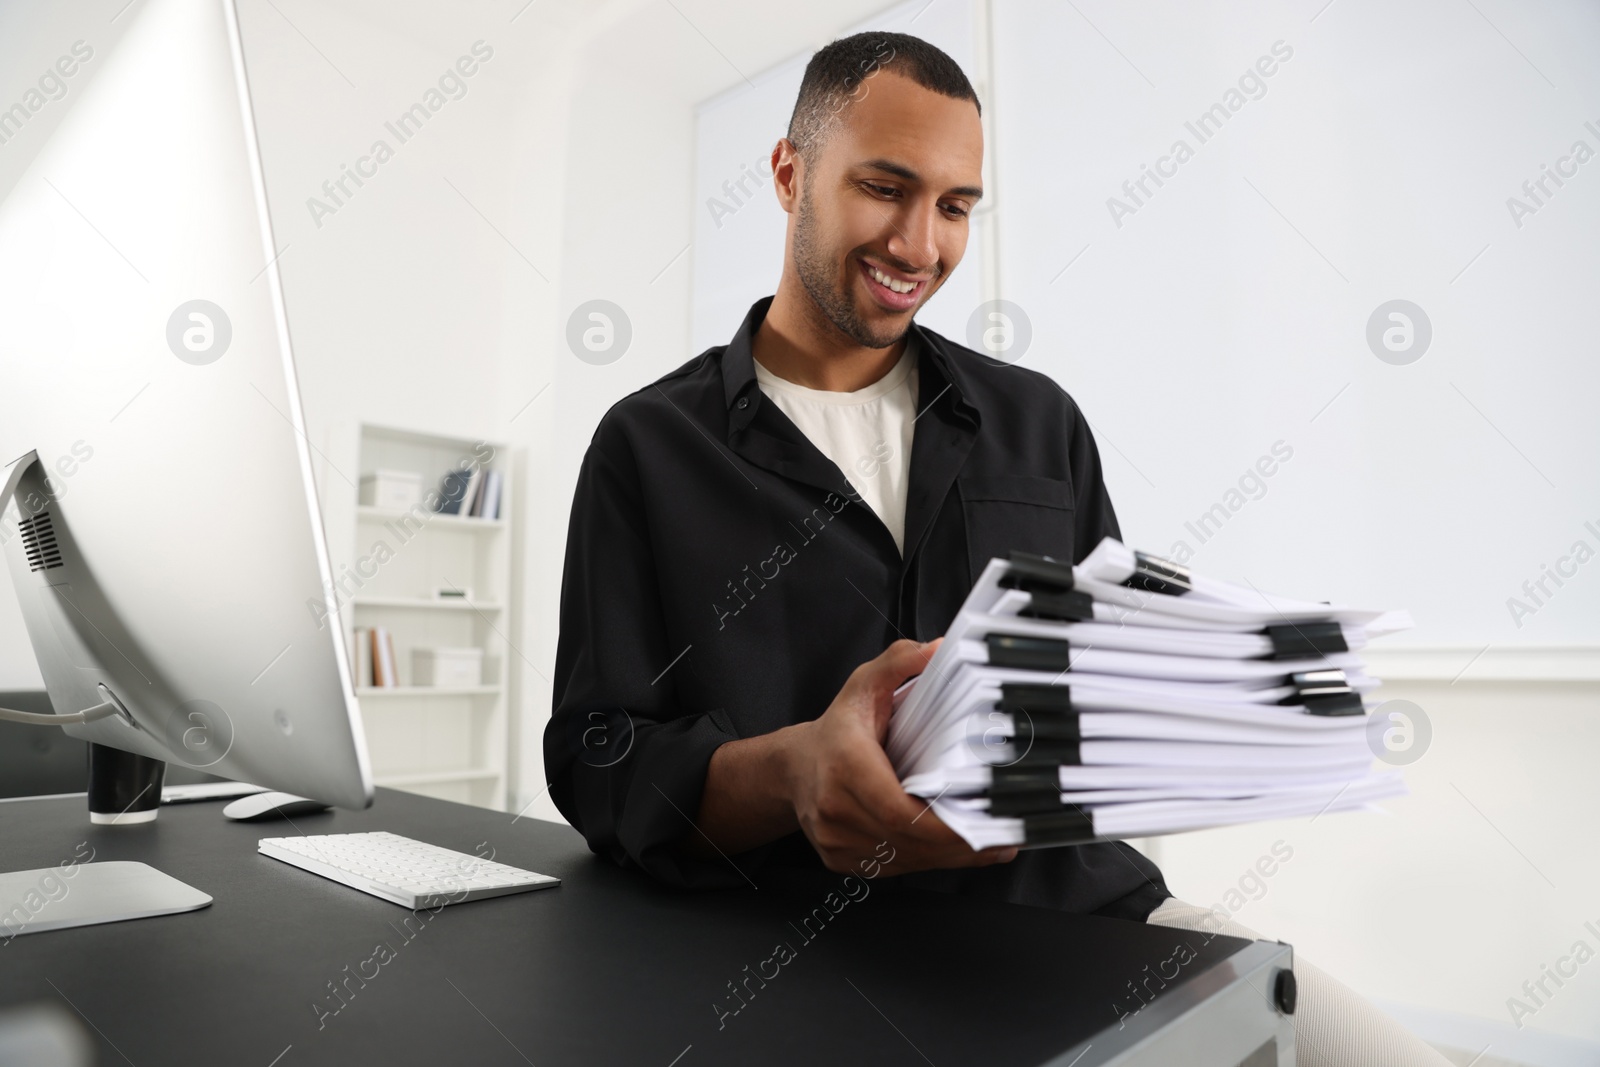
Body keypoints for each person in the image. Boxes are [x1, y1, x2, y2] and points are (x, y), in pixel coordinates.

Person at [546, 30, 1450, 1067]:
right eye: (885, 188)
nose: (920, 245)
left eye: (956, 205)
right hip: (785, 948)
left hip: (1070, 913)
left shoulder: (1036, 421)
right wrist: (793, 771)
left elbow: (1098, 680)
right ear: (790, 173)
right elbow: (597, 757)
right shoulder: (648, 445)